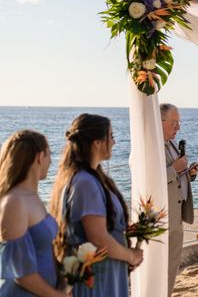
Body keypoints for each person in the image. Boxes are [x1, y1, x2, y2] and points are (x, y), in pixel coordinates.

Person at [50, 114, 143, 297]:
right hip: (97, 278)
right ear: (97, 142)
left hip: (107, 272)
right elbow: (98, 239)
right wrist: (130, 255)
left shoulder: (92, 178)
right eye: (111, 136)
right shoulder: (85, 183)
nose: (114, 142)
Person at [0, 130, 68, 297]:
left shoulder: (32, 197)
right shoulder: (15, 202)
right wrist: (55, 295)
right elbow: (20, 273)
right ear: (39, 157)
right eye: (49, 154)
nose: (51, 161)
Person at [160, 103, 198, 297]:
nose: (178, 128)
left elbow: (178, 174)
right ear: (160, 122)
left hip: (177, 216)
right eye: (174, 123)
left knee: (173, 267)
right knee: (162, 269)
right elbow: (150, 178)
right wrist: (174, 169)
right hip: (163, 217)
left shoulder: (173, 143)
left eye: (179, 122)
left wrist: (189, 172)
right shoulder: (152, 146)